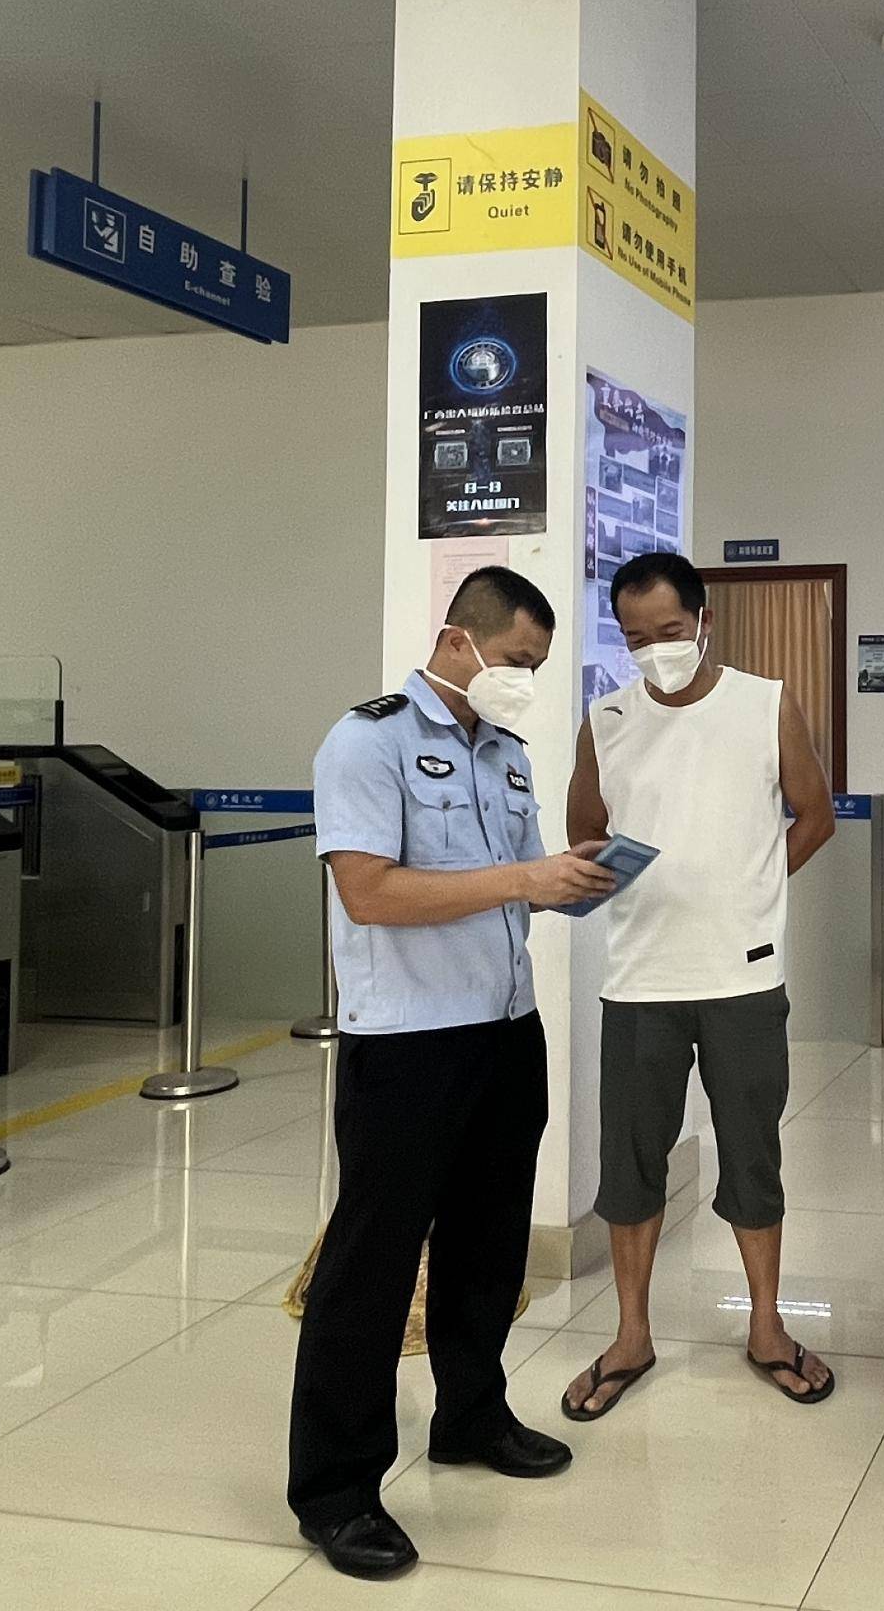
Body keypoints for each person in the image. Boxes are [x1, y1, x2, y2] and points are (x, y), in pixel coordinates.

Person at [290, 567, 616, 1582]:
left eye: (537, 665)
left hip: (504, 1030)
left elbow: (519, 888)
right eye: (517, 659)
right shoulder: (367, 742)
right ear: (457, 640)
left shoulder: (506, 754)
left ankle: (471, 1415)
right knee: (374, 1263)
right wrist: (523, 877)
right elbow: (371, 893)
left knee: (489, 1243)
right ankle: (336, 1489)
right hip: (406, 1043)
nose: (525, 680)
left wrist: (573, 879)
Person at [558, 551, 840, 1423]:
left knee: (753, 1155)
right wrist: (599, 874)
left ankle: (767, 1327)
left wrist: (755, 890)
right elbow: (584, 833)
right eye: (636, 637)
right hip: (640, 980)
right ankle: (631, 1335)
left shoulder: (765, 703)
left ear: (705, 622)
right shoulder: (606, 720)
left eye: (670, 631)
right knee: (631, 1162)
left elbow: (816, 815)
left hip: (742, 979)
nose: (656, 650)